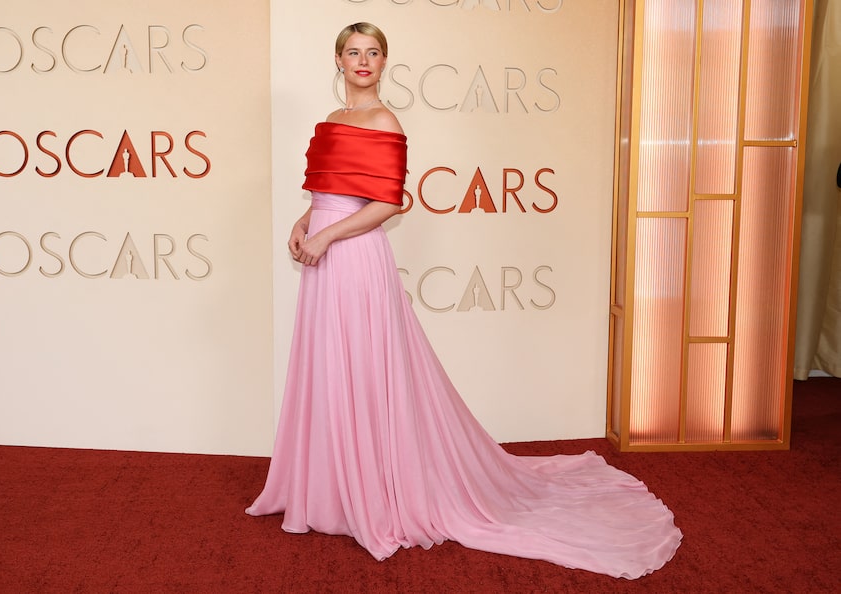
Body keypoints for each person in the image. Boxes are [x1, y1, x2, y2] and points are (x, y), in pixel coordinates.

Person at [246, 22, 682, 579]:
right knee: (330, 369)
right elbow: (327, 190)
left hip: (355, 259)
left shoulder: (385, 120)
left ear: (384, 63)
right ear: (337, 60)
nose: (363, 61)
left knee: (364, 369)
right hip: (324, 256)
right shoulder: (331, 121)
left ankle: (373, 491)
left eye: (373, 53)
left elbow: (387, 205)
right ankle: (329, 488)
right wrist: (305, 221)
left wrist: (328, 235)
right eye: (353, 52)